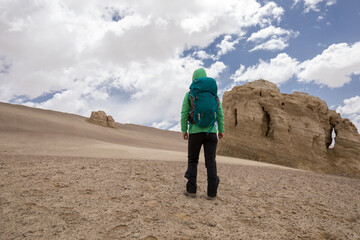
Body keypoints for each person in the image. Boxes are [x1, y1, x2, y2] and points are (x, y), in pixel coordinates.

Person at [181, 68, 224, 200]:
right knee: (210, 161)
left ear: (194, 78)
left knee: (193, 160)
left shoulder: (190, 94)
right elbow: (220, 113)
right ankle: (211, 193)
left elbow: (184, 112)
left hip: (195, 132)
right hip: (211, 133)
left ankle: (191, 191)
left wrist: (184, 130)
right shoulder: (213, 95)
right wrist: (221, 130)